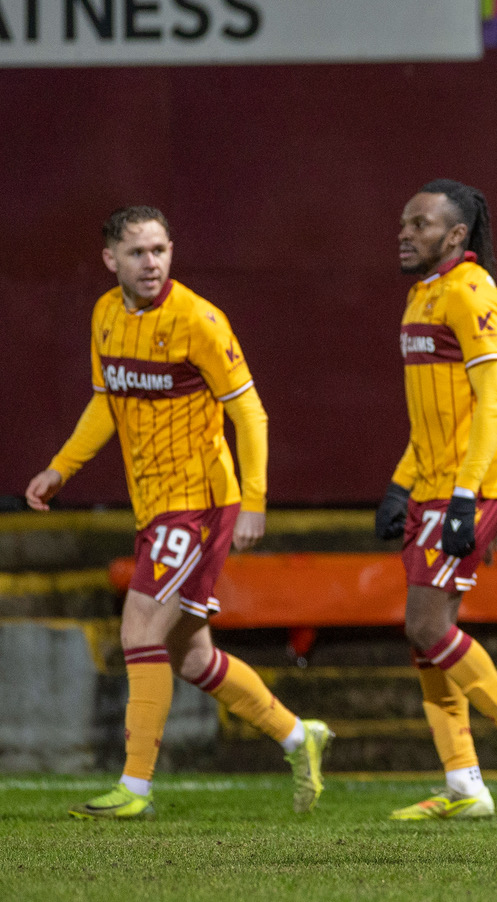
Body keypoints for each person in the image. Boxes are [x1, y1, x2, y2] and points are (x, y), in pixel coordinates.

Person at [26, 206, 332, 820]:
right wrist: (62, 467)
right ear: (110, 259)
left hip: (197, 502)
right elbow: (105, 402)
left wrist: (254, 499)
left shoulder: (197, 318)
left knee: (139, 629)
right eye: (138, 253)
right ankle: (300, 736)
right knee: (191, 656)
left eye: (161, 250)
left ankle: (133, 788)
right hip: (154, 503)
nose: (152, 263)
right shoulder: (106, 315)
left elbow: (250, 414)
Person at [374, 179, 497, 821]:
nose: (405, 233)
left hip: (472, 485)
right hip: (432, 482)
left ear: (456, 236)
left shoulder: (474, 295)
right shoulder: (422, 295)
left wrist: (462, 495)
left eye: (420, 224)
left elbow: (495, 406)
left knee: (426, 624)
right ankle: (464, 785)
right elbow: (433, 414)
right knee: (428, 636)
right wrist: (403, 482)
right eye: (403, 221)